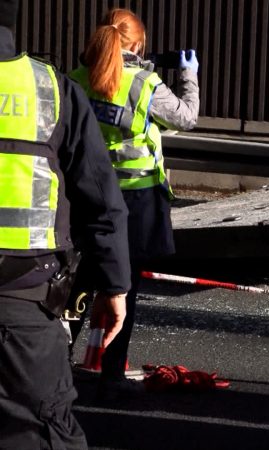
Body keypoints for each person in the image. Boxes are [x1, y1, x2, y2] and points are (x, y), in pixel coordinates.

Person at [0, 0, 131, 447]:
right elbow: (102, 199)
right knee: (41, 432)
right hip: (25, 308)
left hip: (26, 304)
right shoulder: (50, 89)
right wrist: (113, 286)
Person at [66, 8, 200, 394]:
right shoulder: (145, 84)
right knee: (123, 287)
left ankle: (58, 368)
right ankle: (111, 374)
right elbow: (187, 118)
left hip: (86, 197)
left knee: (78, 282)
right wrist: (189, 74)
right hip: (136, 202)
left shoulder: (76, 80)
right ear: (138, 44)